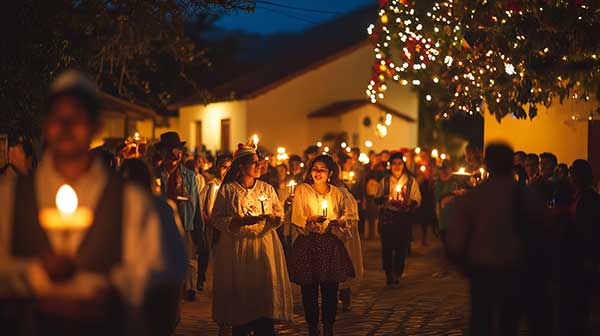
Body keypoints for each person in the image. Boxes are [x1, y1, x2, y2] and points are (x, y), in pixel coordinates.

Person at [0, 70, 185, 335]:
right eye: (57, 117)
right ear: (45, 124)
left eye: (77, 117)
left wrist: (114, 302)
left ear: (96, 126)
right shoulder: (10, 198)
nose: (66, 126)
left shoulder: (134, 204)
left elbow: (163, 285)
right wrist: (36, 279)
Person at [447, 143, 552, 336]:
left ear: (487, 164)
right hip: (515, 271)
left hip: (484, 271)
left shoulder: (474, 197)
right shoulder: (528, 195)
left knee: (482, 322)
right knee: (508, 324)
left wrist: (467, 267)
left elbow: (456, 241)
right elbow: (544, 234)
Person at [211, 142, 293, 336]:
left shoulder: (267, 189)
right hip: (237, 247)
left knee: (263, 290)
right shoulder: (229, 190)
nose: (259, 166)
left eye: (259, 162)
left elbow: (279, 213)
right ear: (241, 167)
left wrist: (274, 218)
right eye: (254, 163)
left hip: (265, 247)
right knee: (242, 290)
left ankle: (264, 324)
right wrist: (238, 221)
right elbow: (216, 218)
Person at [119, 158, 187, 336]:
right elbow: (178, 258)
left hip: (149, 290)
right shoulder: (163, 207)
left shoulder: (161, 208)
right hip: (150, 290)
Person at [288, 154, 355, 336]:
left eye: (322, 169)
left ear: (330, 173)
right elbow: (297, 217)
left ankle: (328, 327)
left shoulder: (336, 192)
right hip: (308, 243)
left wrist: (340, 222)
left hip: (330, 244)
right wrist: (309, 220)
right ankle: (312, 326)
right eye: (315, 169)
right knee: (308, 290)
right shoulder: (303, 190)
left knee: (330, 290)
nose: (318, 173)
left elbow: (348, 215)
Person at [157, 131, 204, 302]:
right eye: (168, 150)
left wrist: (200, 232)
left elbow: (197, 205)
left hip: (185, 226)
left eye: (176, 150)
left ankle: (187, 290)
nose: (173, 155)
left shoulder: (189, 176)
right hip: (161, 228)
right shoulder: (155, 175)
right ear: (161, 153)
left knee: (188, 261)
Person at [559, 160, 600, 336]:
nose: (572, 178)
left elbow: (589, 230)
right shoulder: (579, 195)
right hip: (575, 253)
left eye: (575, 174)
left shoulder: (590, 198)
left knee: (579, 295)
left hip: (582, 254)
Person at [375, 152, 421, 285]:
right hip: (388, 217)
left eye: (399, 163)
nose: (396, 166)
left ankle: (398, 272)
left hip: (403, 217)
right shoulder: (385, 181)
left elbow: (417, 198)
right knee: (387, 247)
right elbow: (377, 198)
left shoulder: (411, 181)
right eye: (394, 163)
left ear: (403, 165)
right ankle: (388, 272)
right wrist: (384, 199)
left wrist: (409, 203)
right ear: (390, 165)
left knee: (401, 246)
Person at [330, 161, 363, 312]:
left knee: (342, 264)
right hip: (324, 234)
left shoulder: (342, 192)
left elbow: (351, 215)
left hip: (340, 235)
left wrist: (341, 222)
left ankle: (344, 294)